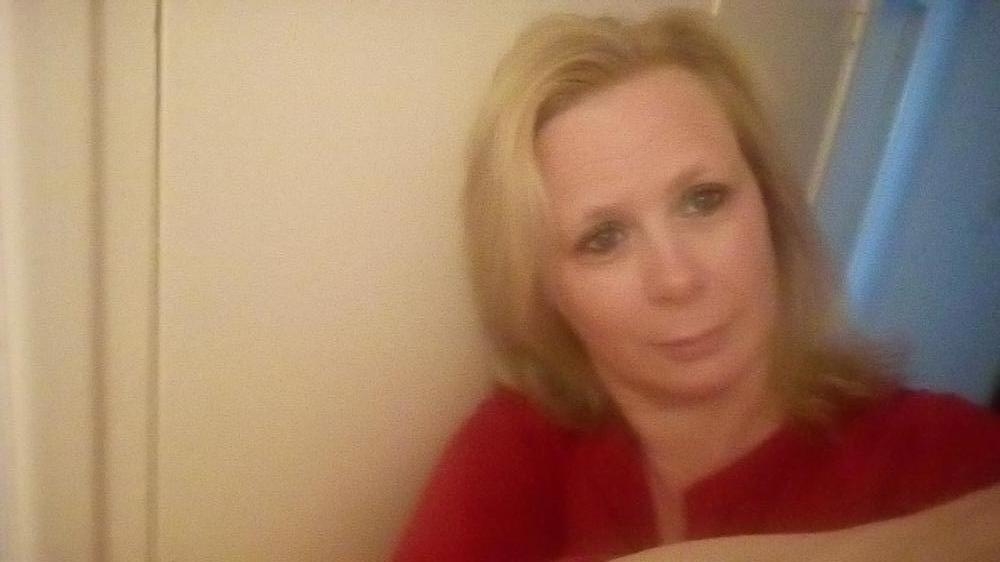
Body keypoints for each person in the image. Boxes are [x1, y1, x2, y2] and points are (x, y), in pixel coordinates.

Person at [392, 9, 1000, 561]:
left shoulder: (945, 454)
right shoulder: (520, 446)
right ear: (545, 289)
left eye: (704, 200)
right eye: (603, 238)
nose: (677, 279)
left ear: (769, 205)